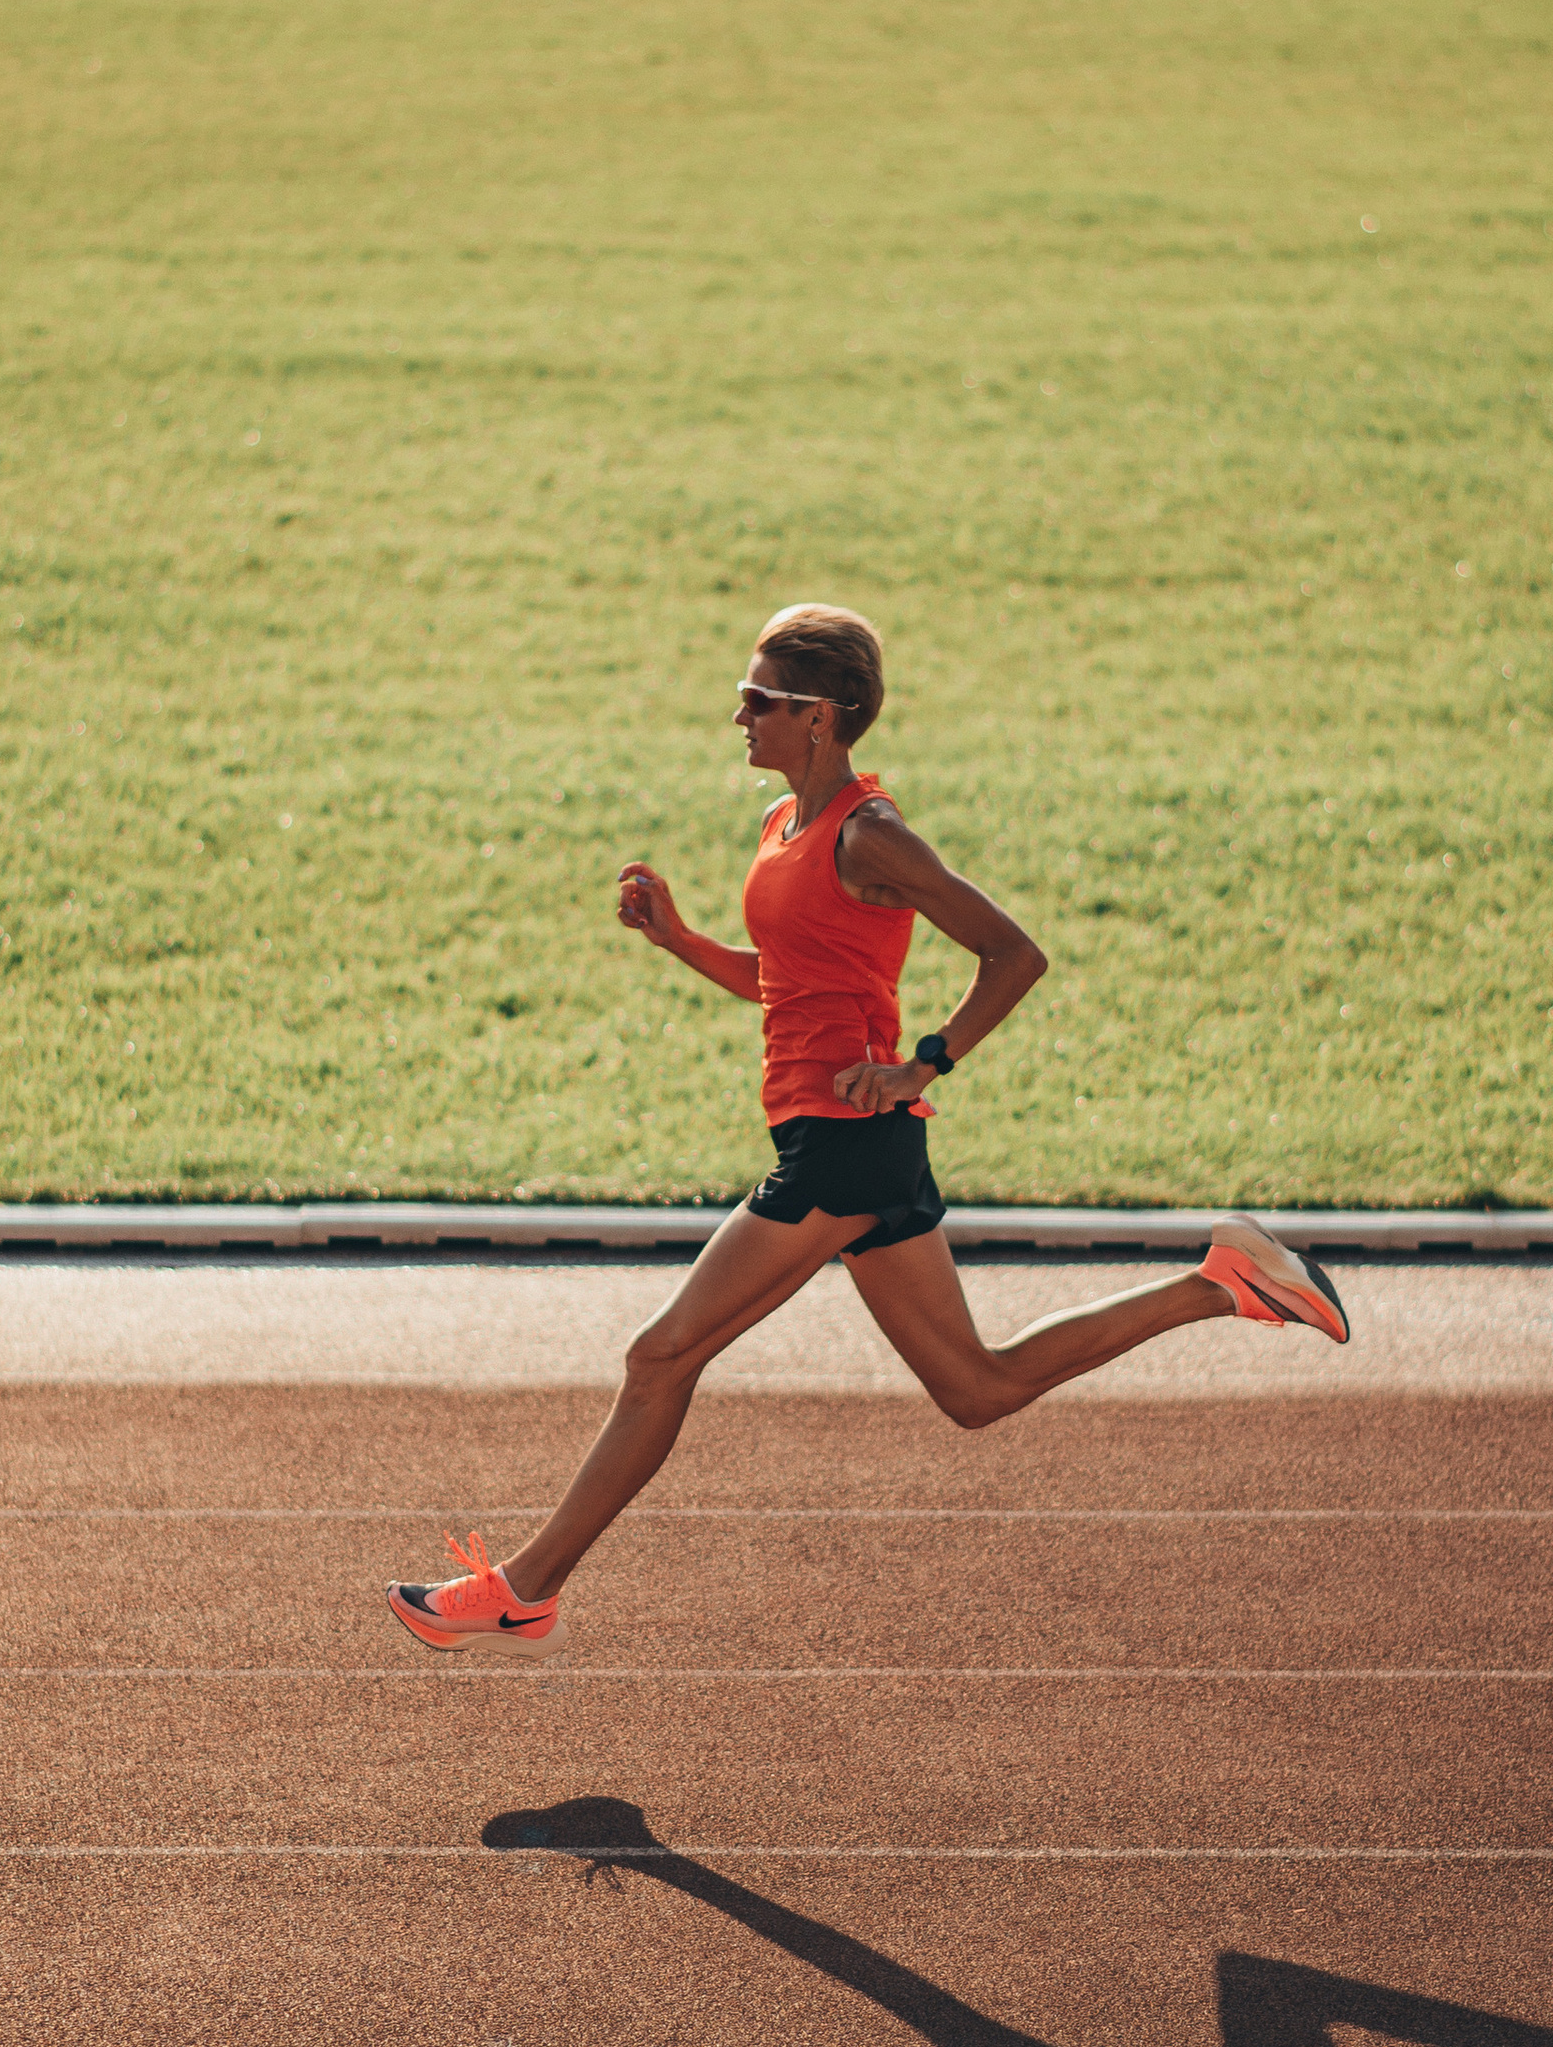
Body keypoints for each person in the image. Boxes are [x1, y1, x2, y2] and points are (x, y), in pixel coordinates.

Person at [387, 601, 1346, 1659]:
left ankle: (525, 1588)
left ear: (824, 716)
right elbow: (785, 984)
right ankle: (1224, 1280)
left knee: (661, 1356)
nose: (738, 714)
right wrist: (679, 941)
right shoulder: (783, 827)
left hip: (843, 1145)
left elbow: (1012, 954)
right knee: (977, 1389)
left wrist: (920, 1063)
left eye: (761, 699)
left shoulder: (870, 833)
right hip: (848, 1144)